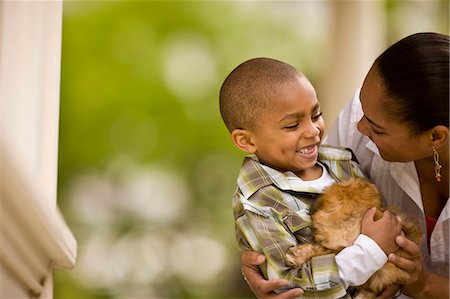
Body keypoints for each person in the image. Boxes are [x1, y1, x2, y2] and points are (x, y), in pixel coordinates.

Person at [241, 32, 449, 299]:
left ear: (435, 137)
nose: (360, 128)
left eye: (377, 129)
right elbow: (306, 209)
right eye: (362, 111)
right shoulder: (369, 113)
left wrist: (424, 285)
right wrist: (268, 259)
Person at [219, 57, 402, 298]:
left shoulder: (342, 161)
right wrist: (370, 252)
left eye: (316, 115)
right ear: (247, 141)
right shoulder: (258, 204)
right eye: (292, 125)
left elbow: (382, 221)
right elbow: (290, 284)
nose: (313, 131)